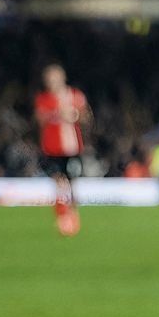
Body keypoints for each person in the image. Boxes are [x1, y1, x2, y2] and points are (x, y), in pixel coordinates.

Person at [33, 63, 91, 236]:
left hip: (72, 148)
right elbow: (40, 118)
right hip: (52, 148)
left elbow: (86, 116)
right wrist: (58, 114)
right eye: (49, 79)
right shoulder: (44, 98)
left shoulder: (75, 96)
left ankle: (72, 214)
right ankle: (62, 214)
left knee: (72, 181)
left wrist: (76, 115)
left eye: (55, 78)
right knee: (58, 180)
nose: (52, 82)